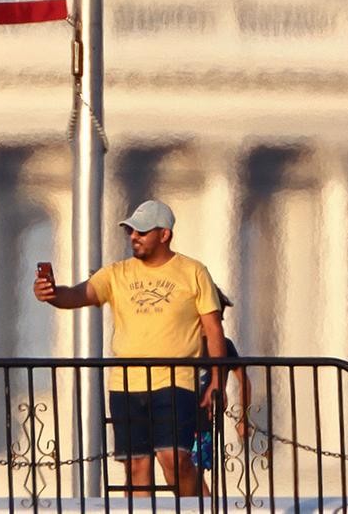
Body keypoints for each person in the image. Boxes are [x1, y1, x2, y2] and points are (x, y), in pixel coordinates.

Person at [32, 199, 243, 495]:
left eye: (142, 232)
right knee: (135, 466)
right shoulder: (117, 273)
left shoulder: (193, 272)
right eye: (131, 231)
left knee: (175, 459)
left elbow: (213, 327)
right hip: (126, 383)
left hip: (175, 381)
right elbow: (78, 295)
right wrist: (51, 294)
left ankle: (196, 507)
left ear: (164, 234)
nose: (134, 237)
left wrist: (217, 380)